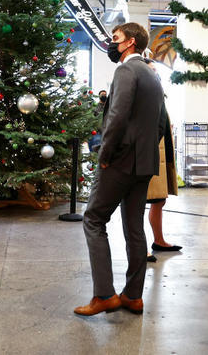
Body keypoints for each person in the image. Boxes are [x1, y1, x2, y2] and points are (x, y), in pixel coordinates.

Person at [74, 22, 164, 316]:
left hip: (120, 161)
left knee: (94, 219)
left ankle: (104, 295)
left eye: (116, 38)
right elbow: (162, 123)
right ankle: (133, 296)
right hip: (144, 163)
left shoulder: (126, 71)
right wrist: (144, 149)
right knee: (134, 227)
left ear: (131, 42)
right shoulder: (152, 74)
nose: (111, 44)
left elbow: (117, 117)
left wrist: (105, 153)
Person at [143, 55, 180, 263]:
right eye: (152, 71)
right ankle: (140, 247)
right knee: (139, 202)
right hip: (147, 153)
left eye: (156, 72)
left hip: (162, 151)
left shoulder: (157, 93)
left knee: (159, 199)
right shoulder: (143, 92)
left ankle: (159, 240)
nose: (155, 75)